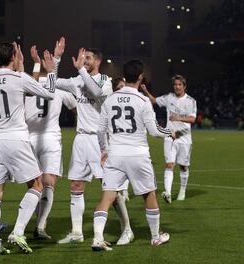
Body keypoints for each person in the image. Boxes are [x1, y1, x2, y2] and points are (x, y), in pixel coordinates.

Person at [0, 42, 56, 256]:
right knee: (37, 185)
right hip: (16, 138)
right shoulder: (18, 78)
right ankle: (18, 231)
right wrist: (52, 72)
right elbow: (48, 94)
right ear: (13, 58)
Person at [92, 59, 175, 251]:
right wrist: (168, 132)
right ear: (140, 77)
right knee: (149, 194)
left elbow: (100, 130)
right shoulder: (143, 100)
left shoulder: (110, 99)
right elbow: (154, 131)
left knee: (107, 196)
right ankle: (155, 237)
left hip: (115, 154)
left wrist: (104, 150)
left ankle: (97, 237)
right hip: (137, 154)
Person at [56, 47, 133, 245]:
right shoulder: (77, 81)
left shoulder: (106, 83)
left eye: (88, 58)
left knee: (110, 188)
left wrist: (80, 69)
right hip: (81, 138)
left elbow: (96, 92)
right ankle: (76, 232)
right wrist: (54, 62)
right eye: (83, 57)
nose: (84, 60)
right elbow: (52, 84)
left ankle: (127, 229)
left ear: (98, 61)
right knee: (75, 184)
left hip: (101, 141)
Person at [25, 38, 77, 239]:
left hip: (29, 139)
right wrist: (57, 59)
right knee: (48, 183)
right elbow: (75, 106)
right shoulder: (59, 88)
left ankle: (32, 224)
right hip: (51, 138)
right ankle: (40, 225)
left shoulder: (29, 83)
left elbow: (38, 76)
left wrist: (37, 62)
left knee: (34, 185)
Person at [140, 75, 197, 203]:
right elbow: (154, 101)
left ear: (184, 86)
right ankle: (168, 192)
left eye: (179, 85)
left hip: (184, 138)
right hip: (169, 137)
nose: (177, 87)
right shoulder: (168, 98)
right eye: (175, 84)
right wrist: (145, 90)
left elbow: (192, 119)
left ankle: (182, 190)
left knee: (183, 166)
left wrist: (178, 118)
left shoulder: (191, 101)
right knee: (169, 164)